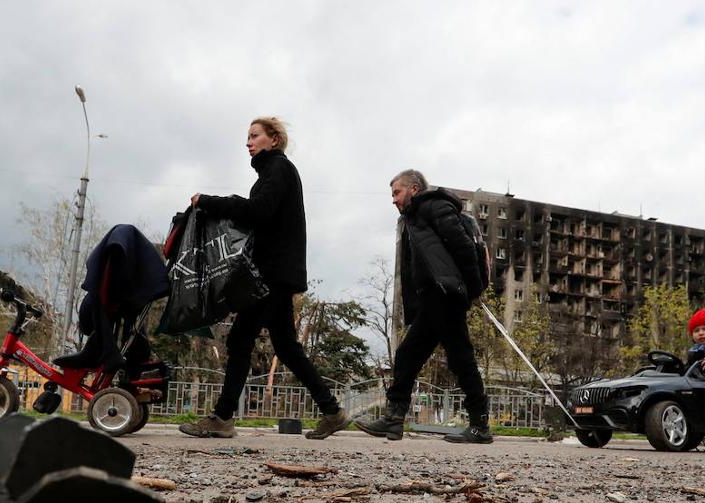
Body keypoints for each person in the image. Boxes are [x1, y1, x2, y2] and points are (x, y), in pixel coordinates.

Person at [178, 117, 349, 440]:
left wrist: (212, 202)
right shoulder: (275, 171)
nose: (248, 142)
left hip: (270, 273)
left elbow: (260, 210)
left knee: (240, 338)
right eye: (248, 137)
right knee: (286, 346)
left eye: (254, 136)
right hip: (279, 273)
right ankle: (332, 411)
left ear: (274, 139)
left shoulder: (279, 169)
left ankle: (223, 417)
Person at [355, 170, 492, 443]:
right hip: (433, 299)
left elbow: (462, 246)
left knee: (458, 358)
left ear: (414, 189)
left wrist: (471, 290)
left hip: (445, 297)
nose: (393, 200)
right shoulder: (413, 219)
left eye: (397, 192)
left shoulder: (433, 206)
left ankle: (479, 425)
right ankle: (394, 420)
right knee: (409, 355)